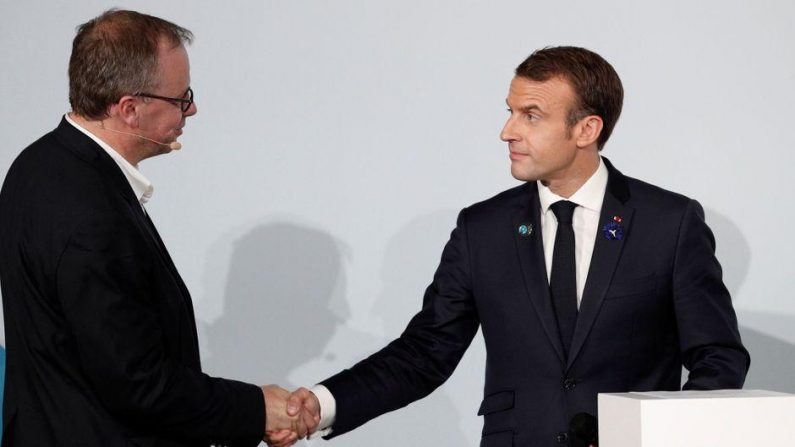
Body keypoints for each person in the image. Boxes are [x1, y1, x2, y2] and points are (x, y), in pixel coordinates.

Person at [285, 46, 750, 446]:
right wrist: (322, 404)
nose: (508, 131)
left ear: (586, 129)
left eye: (531, 116)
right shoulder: (481, 229)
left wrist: (668, 436)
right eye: (509, 111)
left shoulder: (668, 222)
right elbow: (425, 352)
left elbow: (718, 357)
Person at [0, 10, 306, 447]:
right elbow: (139, 386)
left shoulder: (35, 164)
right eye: (181, 98)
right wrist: (257, 409)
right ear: (129, 109)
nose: (193, 108)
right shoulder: (94, 217)